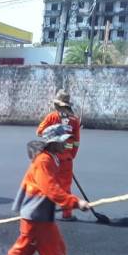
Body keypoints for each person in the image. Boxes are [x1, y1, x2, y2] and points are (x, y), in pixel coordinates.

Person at [0, 125, 91, 255]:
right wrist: (75, 202)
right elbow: (50, 189)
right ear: (53, 143)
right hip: (35, 216)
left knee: (41, 248)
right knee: (51, 250)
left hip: (39, 213)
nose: (66, 143)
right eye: (63, 141)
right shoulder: (44, 161)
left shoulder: (50, 158)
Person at [37, 90, 81, 220]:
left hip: (51, 158)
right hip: (66, 159)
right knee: (65, 187)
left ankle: (42, 211)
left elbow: (39, 132)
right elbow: (76, 142)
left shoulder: (52, 117)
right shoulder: (74, 120)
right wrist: (71, 155)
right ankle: (67, 214)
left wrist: (53, 134)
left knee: (47, 184)